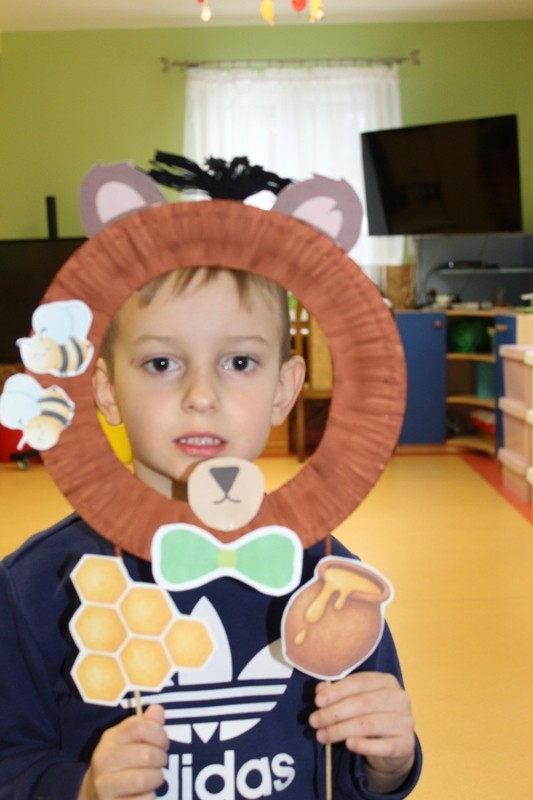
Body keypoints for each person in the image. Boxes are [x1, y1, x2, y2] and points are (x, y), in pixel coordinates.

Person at [0, 266, 421, 800]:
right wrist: (81, 788)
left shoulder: (333, 581)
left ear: (282, 389)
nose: (201, 396)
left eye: (239, 362)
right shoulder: (36, 586)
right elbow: (12, 759)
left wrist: (388, 766)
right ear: (106, 389)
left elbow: (356, 767)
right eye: (162, 363)